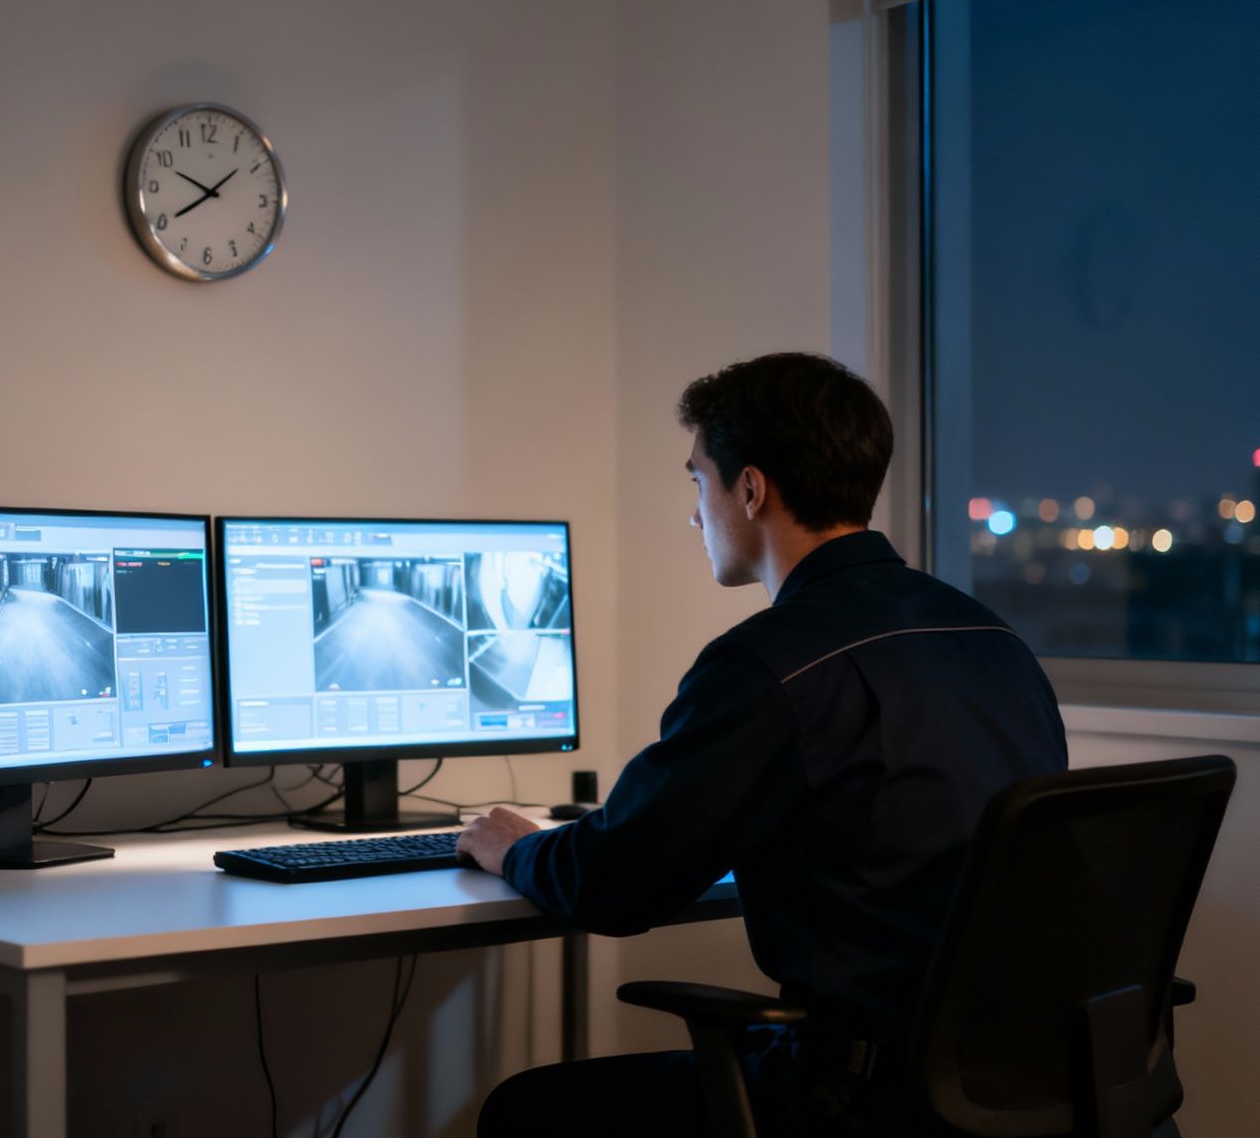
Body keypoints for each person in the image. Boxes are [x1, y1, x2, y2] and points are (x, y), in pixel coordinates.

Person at [456, 352, 1068, 1137]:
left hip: (862, 1096)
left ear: (750, 489)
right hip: (1016, 1076)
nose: (694, 512)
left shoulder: (770, 664)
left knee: (526, 1112)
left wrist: (513, 847)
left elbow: (614, 885)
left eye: (696, 481)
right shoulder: (987, 634)